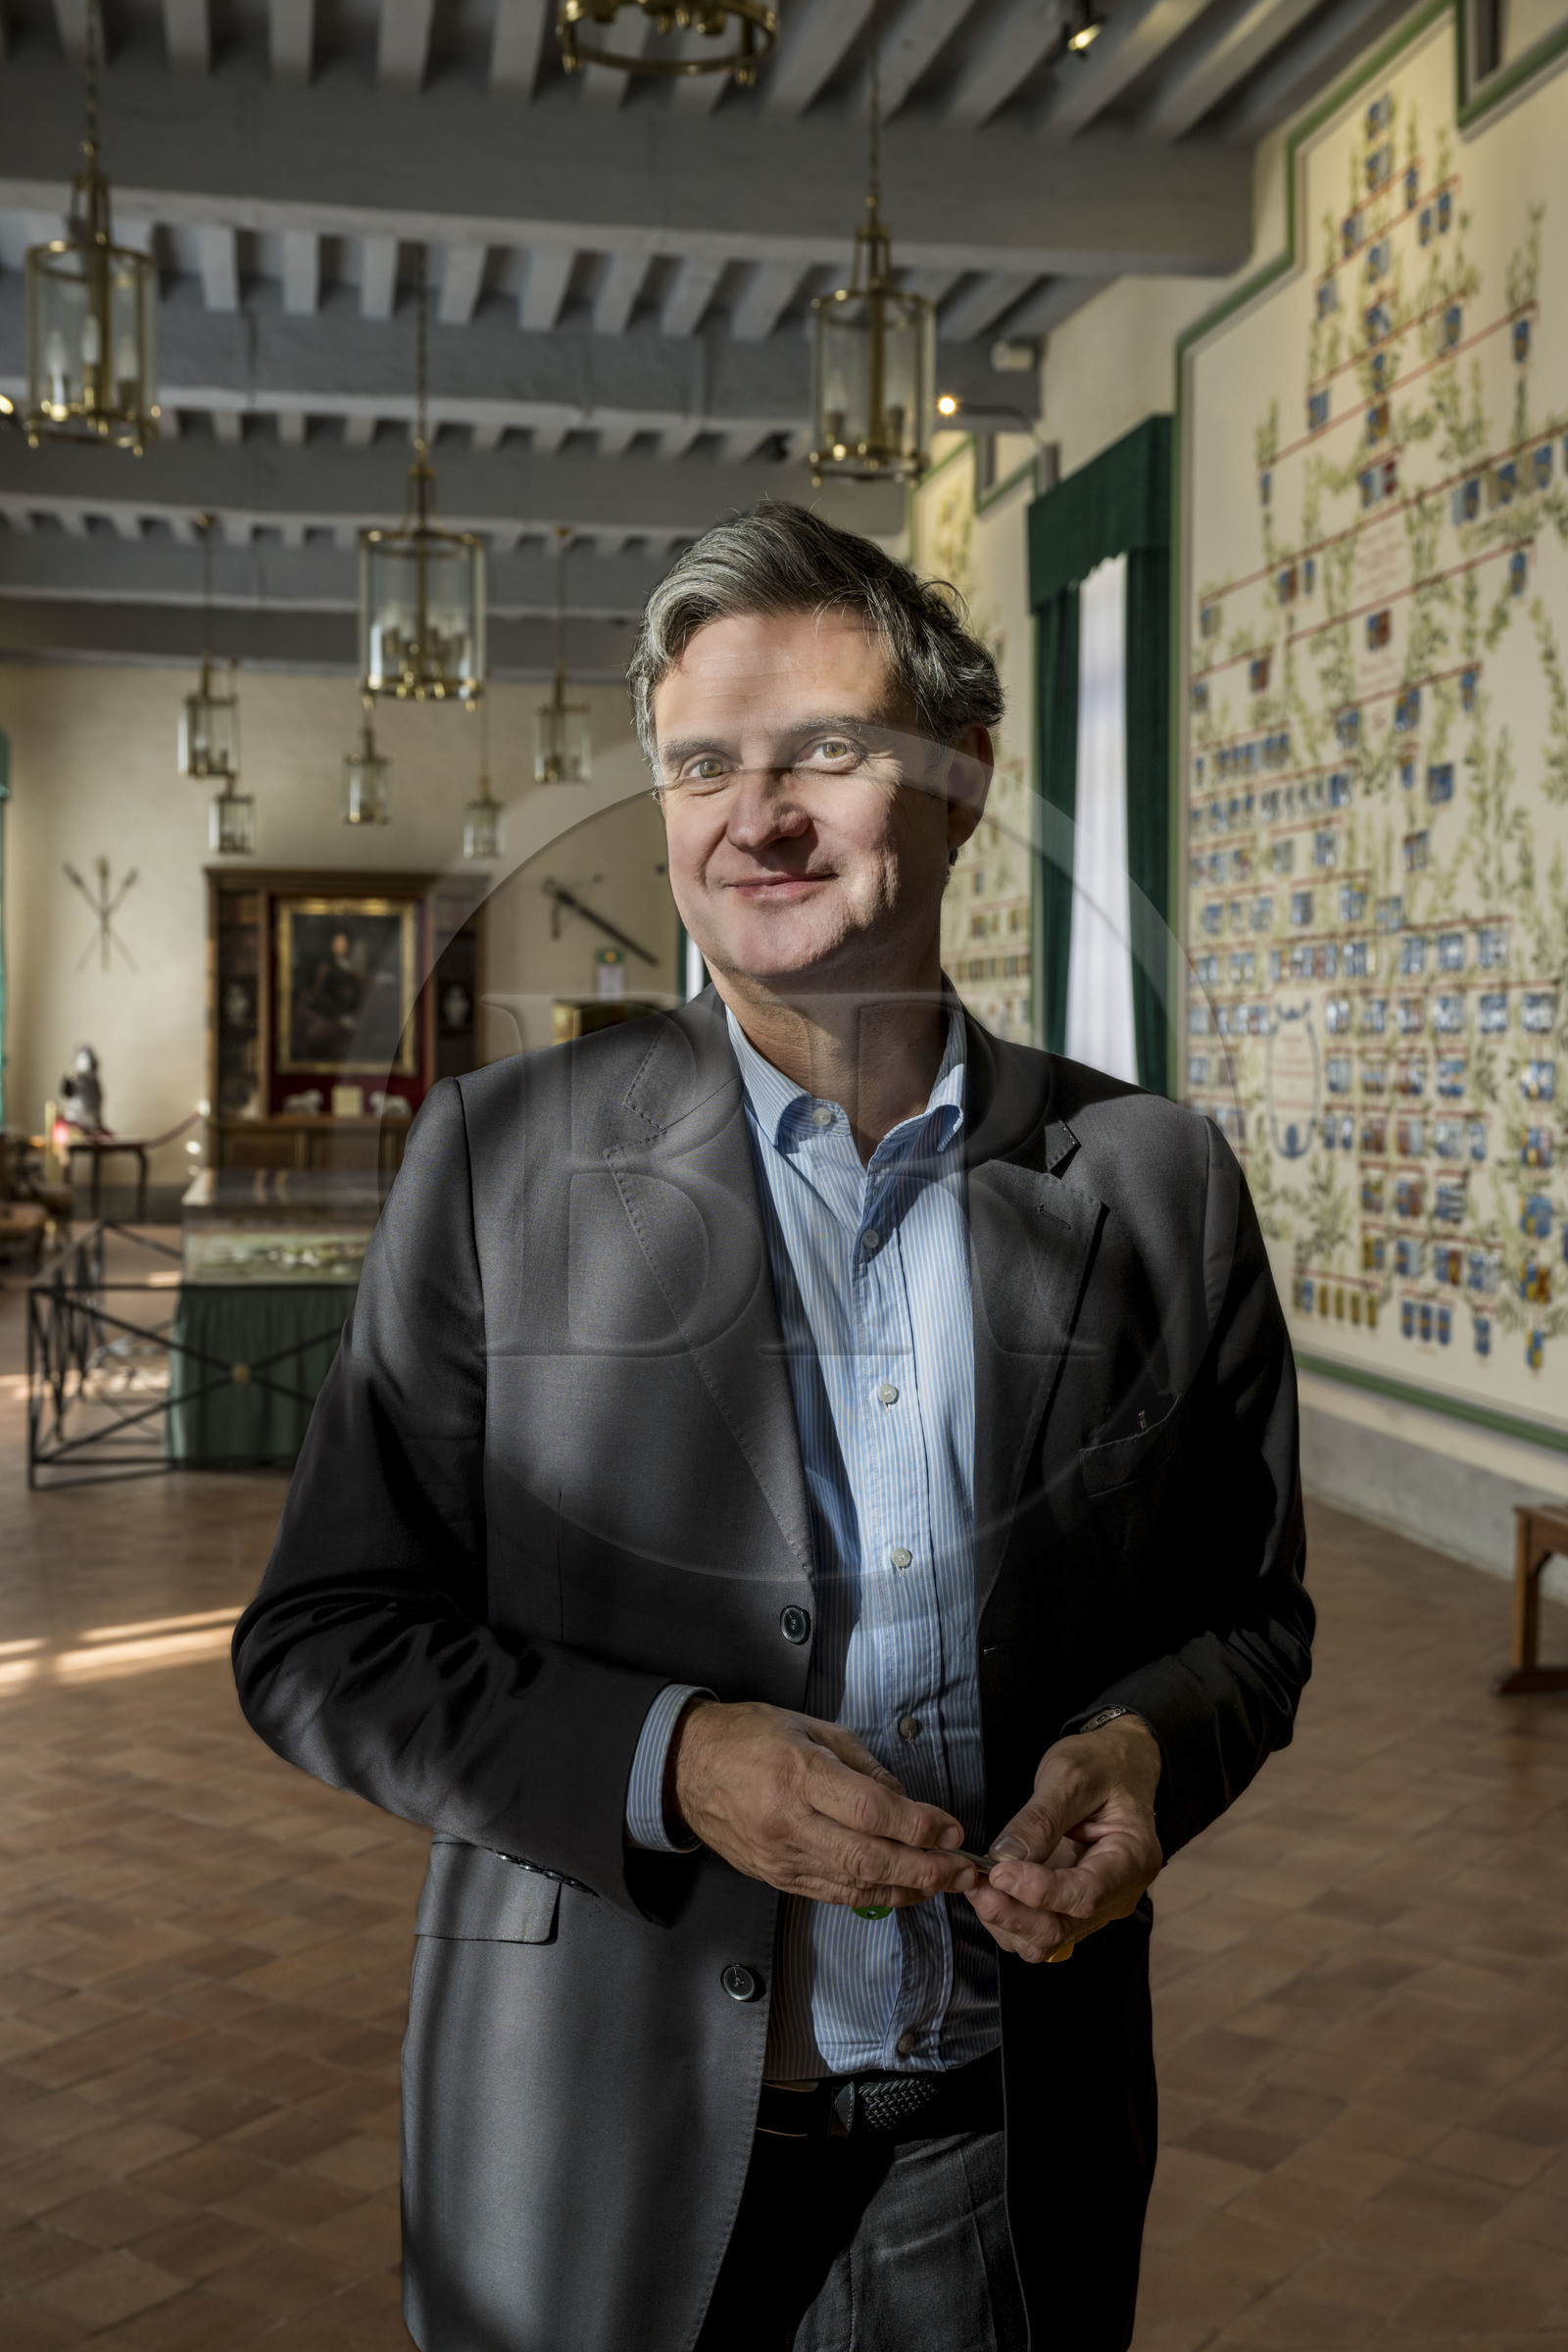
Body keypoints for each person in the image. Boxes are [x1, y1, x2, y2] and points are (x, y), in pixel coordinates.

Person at [233, 502, 1311, 2352]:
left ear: (965, 779)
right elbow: (321, 1642)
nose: (758, 817)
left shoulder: (1157, 1183)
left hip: (993, 2154)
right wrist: (667, 1762)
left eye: (823, 751)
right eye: (700, 766)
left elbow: (1253, 1617)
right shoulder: (496, 1164)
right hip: (592, 2143)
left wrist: (1144, 1751)